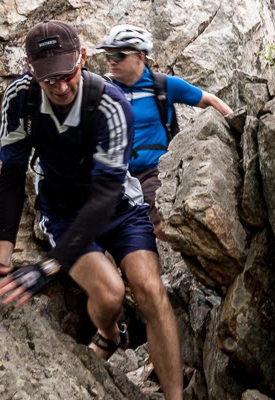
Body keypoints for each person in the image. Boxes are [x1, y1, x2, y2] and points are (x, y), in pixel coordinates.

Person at [0, 19, 218, 400]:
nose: (61, 86)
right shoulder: (21, 98)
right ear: (31, 70)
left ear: (83, 60)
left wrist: (47, 268)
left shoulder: (110, 103)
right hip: (63, 212)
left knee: (149, 288)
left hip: (118, 205)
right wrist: (2, 260)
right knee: (107, 295)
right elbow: (10, 177)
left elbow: (106, 194)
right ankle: (109, 333)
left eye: (67, 74)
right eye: (49, 78)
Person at [98, 25, 233, 239]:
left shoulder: (161, 85)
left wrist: (239, 130)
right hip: (114, 175)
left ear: (140, 56)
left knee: (160, 227)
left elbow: (209, 100)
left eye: (119, 54)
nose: (112, 60)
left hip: (152, 172)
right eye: (109, 55)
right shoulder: (103, 89)